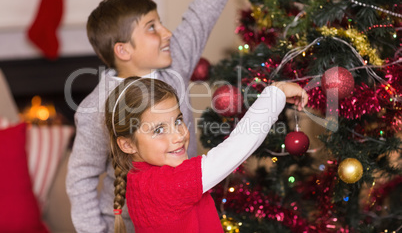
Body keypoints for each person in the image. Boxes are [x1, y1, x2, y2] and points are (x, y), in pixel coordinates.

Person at [66, 0, 247, 232]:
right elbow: (81, 179)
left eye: (160, 22)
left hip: (187, 214)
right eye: (152, 27)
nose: (167, 33)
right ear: (123, 50)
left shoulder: (173, 65)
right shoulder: (95, 108)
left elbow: (201, 13)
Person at [104, 77, 308, 233]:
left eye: (177, 121)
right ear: (127, 144)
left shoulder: (141, 177)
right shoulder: (163, 185)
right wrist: (276, 93)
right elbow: (237, 147)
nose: (179, 135)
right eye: (159, 130)